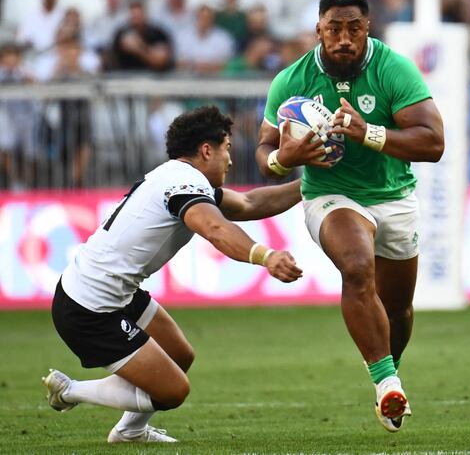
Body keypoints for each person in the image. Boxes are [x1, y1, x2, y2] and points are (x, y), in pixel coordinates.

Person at [43, 105, 304, 443]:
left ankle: (130, 431)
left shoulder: (179, 177)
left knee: (179, 355)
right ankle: (69, 391)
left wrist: (309, 185)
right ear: (206, 150)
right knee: (172, 391)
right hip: (89, 306)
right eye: (226, 148)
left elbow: (250, 203)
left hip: (113, 291)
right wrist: (266, 257)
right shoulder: (183, 183)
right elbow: (215, 229)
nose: (230, 160)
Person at [255, 0, 444, 432]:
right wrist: (285, 158)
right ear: (318, 30)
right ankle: (387, 383)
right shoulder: (291, 81)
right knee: (357, 268)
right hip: (330, 194)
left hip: (393, 195)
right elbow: (264, 152)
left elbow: (433, 143)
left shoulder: (394, 69)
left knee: (398, 310)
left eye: (354, 29)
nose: (344, 38)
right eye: (334, 28)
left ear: (367, 28)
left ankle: (388, 368)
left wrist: (369, 133)